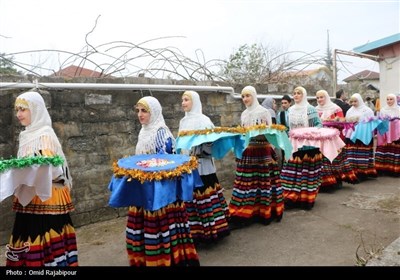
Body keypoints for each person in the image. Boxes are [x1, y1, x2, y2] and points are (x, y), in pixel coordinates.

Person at [6, 91, 78, 266]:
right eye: (17, 110)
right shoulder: (26, 135)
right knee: (27, 233)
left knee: (44, 234)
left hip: (47, 197)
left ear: (36, 110)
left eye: (23, 109)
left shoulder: (45, 135)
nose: (18, 114)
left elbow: (48, 168)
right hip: (29, 195)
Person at [126, 96, 199, 266]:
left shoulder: (161, 133)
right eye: (138, 110)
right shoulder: (144, 131)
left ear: (155, 112)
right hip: (144, 187)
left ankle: (166, 259)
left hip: (161, 192)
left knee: (162, 227)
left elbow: (167, 164)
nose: (140, 114)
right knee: (145, 227)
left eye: (144, 111)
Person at [178, 90, 230, 244]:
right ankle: (194, 232)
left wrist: (200, 147)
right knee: (191, 197)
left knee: (204, 194)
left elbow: (212, 141)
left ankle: (212, 230)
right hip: (187, 165)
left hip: (203, 165)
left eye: (186, 100)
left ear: (194, 101)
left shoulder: (204, 120)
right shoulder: (183, 121)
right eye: (182, 100)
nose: (183, 103)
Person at [229, 86, 284, 228]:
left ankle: (265, 211)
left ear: (253, 95)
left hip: (263, 151)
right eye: (243, 96)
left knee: (263, 182)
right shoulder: (244, 114)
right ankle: (247, 212)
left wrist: (269, 147)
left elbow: (271, 132)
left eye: (248, 96)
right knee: (247, 183)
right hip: (248, 151)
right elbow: (243, 134)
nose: (245, 99)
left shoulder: (264, 112)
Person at [280, 86, 323, 210]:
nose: (296, 95)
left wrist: (309, 133)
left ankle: (306, 198)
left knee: (306, 173)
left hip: (309, 146)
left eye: (299, 93)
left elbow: (319, 124)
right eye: (294, 93)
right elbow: (288, 127)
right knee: (292, 172)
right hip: (294, 145)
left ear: (303, 95)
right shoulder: (290, 110)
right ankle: (292, 197)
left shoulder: (310, 109)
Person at [315, 90, 358, 190]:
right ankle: (326, 183)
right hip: (320, 139)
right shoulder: (315, 109)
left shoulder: (335, 108)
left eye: (322, 97)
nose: (319, 99)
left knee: (335, 159)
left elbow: (342, 122)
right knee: (323, 161)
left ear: (326, 97)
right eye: (317, 98)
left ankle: (337, 180)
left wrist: (334, 121)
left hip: (334, 139)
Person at [345, 93, 376, 180]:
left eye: (355, 101)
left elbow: (372, 122)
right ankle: (353, 172)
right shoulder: (349, 111)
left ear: (360, 100)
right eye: (352, 102)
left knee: (362, 153)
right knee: (352, 153)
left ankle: (363, 173)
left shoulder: (367, 110)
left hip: (363, 135)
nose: (354, 103)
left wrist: (362, 122)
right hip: (352, 134)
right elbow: (347, 121)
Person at [375, 93, 400, 176]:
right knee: (384, 150)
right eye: (388, 99)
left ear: (395, 100)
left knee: (394, 150)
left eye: (391, 99)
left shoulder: (398, 109)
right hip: (385, 134)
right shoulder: (383, 110)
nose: (389, 101)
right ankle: (382, 169)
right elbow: (380, 122)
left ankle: (394, 170)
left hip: (396, 135)